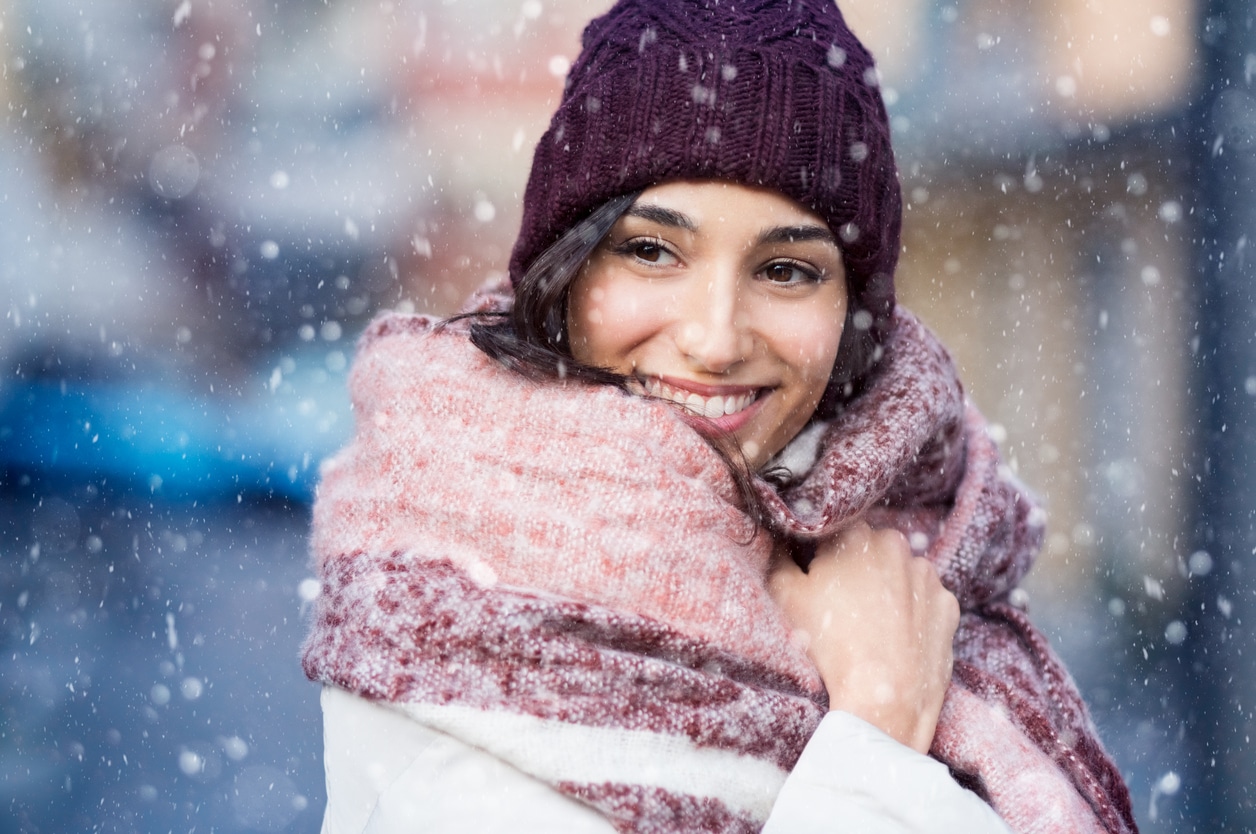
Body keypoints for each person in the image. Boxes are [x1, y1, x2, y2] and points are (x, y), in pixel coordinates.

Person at [303, 1, 1138, 832]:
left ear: (852, 309)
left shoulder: (916, 550)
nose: (714, 338)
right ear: (566, 271)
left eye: (785, 269)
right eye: (651, 250)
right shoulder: (455, 593)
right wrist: (876, 732)